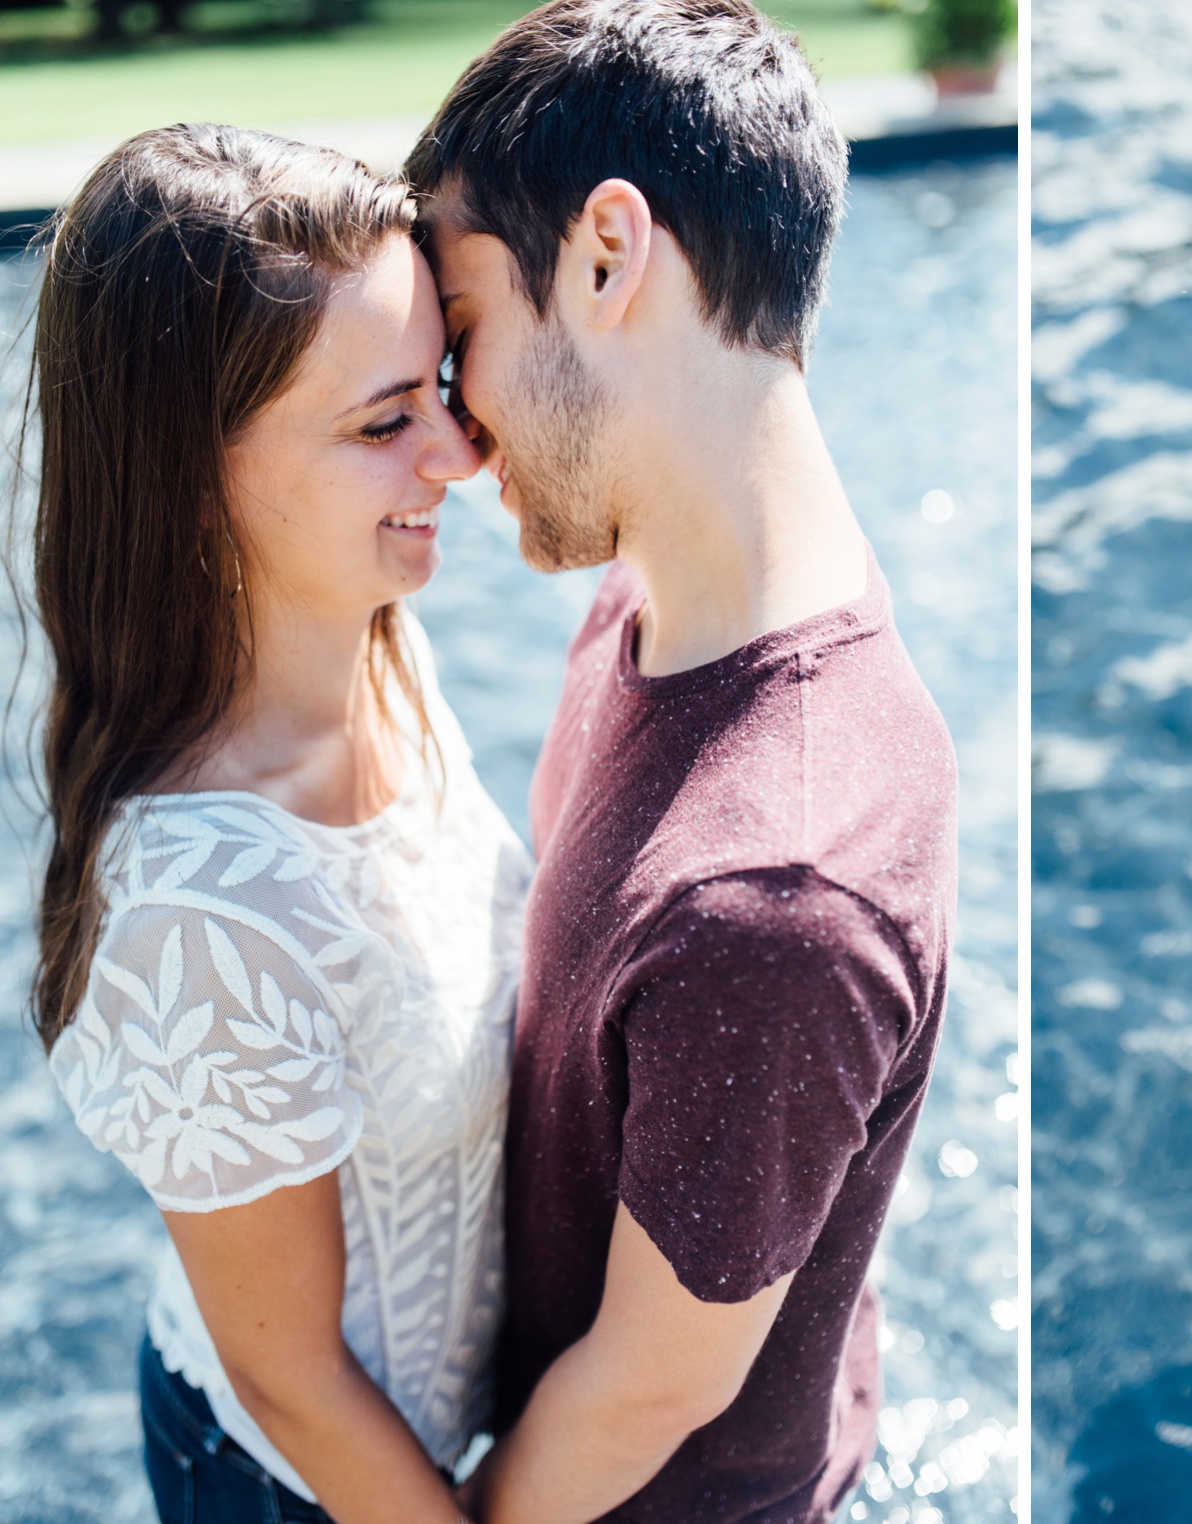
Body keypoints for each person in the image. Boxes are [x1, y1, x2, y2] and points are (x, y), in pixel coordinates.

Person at [401, 2, 959, 1520]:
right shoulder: (651, 592)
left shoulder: (776, 886)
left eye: (459, 342)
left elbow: (656, 1385)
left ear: (606, 254)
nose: (450, 435)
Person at [32, 126, 527, 1523]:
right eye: (385, 423)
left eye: (437, 385)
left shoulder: (380, 648)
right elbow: (293, 1381)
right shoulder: (200, 912)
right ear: (194, 478)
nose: (462, 454)